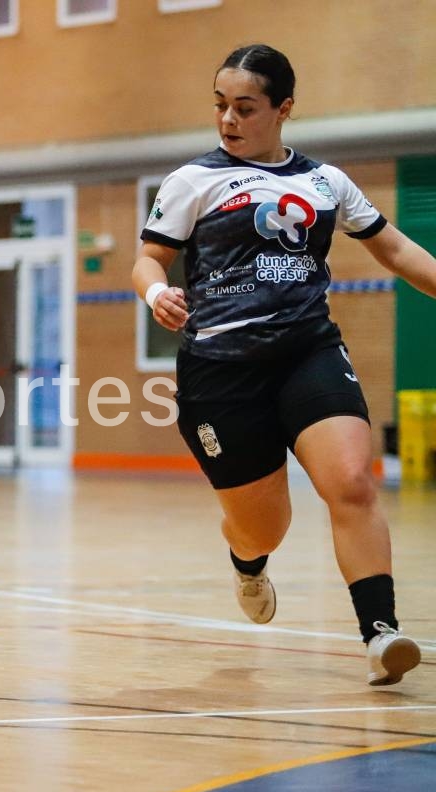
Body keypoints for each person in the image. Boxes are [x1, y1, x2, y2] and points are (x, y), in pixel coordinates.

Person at [133, 44, 436, 686]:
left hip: (308, 351)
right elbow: (149, 259)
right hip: (221, 371)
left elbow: (397, 249)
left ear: (284, 109)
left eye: (245, 107)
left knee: (352, 481)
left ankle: (380, 634)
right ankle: (247, 561)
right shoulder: (194, 181)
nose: (228, 120)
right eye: (220, 106)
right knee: (264, 523)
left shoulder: (326, 183)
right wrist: (158, 293)